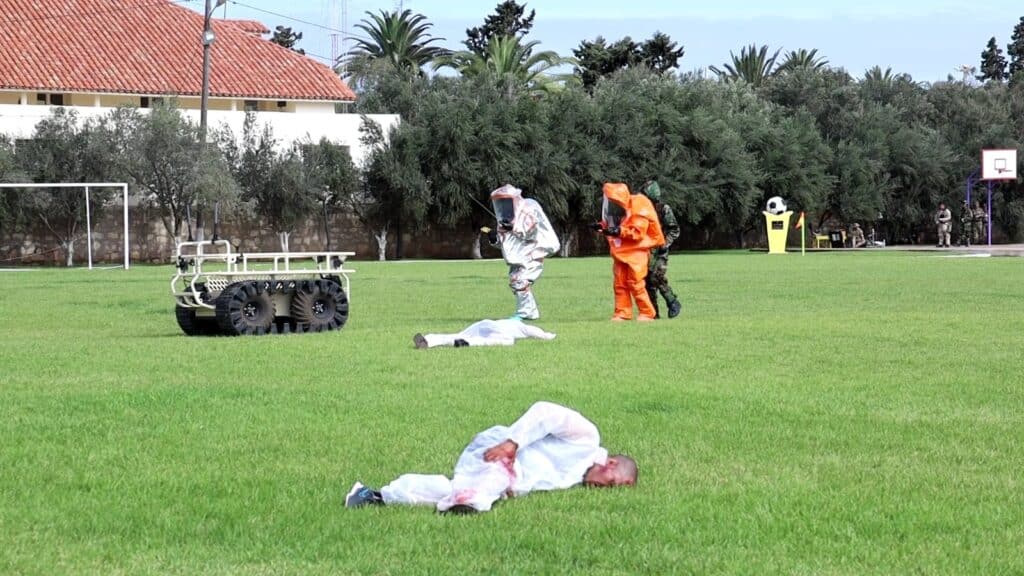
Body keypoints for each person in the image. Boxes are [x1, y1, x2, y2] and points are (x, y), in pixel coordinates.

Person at [344, 401, 637, 514]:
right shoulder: (588, 439)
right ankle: (471, 504)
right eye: (611, 482)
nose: (603, 488)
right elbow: (547, 412)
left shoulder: (573, 478)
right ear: (611, 463)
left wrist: (516, 487)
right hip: (497, 450)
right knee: (489, 481)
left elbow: (534, 476)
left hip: (503, 473)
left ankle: (374, 495)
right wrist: (513, 443)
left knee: (452, 489)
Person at [482, 184, 560, 320]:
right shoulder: (505, 219)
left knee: (520, 281)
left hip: (533, 253)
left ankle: (526, 312)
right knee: (516, 282)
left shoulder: (528, 211)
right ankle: (530, 312)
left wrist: (513, 228)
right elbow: (507, 244)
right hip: (518, 259)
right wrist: (494, 238)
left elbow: (531, 233)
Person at [592, 183, 665, 322]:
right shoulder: (618, 208)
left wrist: (619, 231)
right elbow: (613, 224)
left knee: (635, 283)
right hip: (621, 252)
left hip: (637, 252)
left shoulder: (640, 205)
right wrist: (601, 226)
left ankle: (647, 313)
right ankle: (622, 313)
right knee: (619, 283)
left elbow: (637, 233)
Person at [641, 181, 682, 319]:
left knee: (656, 277)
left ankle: (672, 301)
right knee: (647, 282)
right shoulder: (642, 209)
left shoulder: (663, 209)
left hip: (660, 250)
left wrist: (665, 243)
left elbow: (674, 229)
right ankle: (653, 314)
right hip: (646, 250)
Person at [412, 319, 555, 349]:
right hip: (496, 329)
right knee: (508, 341)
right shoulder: (519, 325)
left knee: (459, 334)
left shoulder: (510, 322)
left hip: (483, 324)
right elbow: (532, 331)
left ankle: (429, 339)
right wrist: (547, 336)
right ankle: (466, 343)